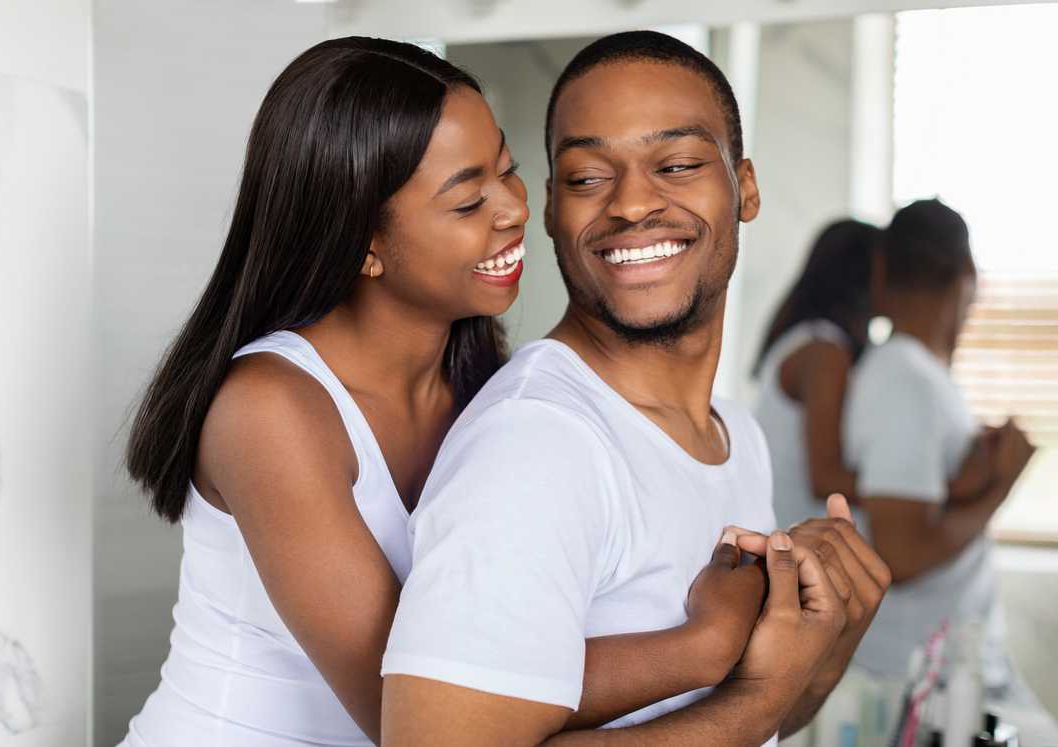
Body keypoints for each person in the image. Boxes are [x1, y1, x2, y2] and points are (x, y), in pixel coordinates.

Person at [118, 37, 774, 747]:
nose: (514, 210)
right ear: (363, 244)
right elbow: (414, 700)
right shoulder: (271, 409)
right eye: (467, 201)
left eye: (508, 171)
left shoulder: (485, 388)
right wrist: (704, 647)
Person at [381, 31, 891, 746]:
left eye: (676, 165)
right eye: (588, 178)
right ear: (552, 208)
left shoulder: (736, 436)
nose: (631, 203)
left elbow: (740, 719)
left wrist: (825, 642)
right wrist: (759, 695)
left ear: (744, 187)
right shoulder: (537, 442)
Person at [836, 199, 1057, 743]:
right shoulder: (904, 380)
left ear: (883, 273)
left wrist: (975, 473)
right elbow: (901, 554)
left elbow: (921, 512)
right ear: (968, 278)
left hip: (954, 673)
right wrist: (1002, 483)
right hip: (926, 688)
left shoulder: (923, 379)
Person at [752, 219, 992, 530]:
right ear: (871, 276)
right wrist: (948, 488)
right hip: (787, 536)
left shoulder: (824, 345)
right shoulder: (823, 353)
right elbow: (825, 478)